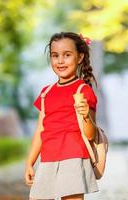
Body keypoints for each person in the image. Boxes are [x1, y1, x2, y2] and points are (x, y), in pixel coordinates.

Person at [24, 32, 99, 200]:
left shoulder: (83, 90)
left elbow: (90, 135)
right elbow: (40, 130)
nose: (60, 61)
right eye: (55, 55)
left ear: (80, 57)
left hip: (73, 157)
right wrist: (30, 162)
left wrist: (86, 115)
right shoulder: (46, 93)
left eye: (67, 55)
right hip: (48, 159)